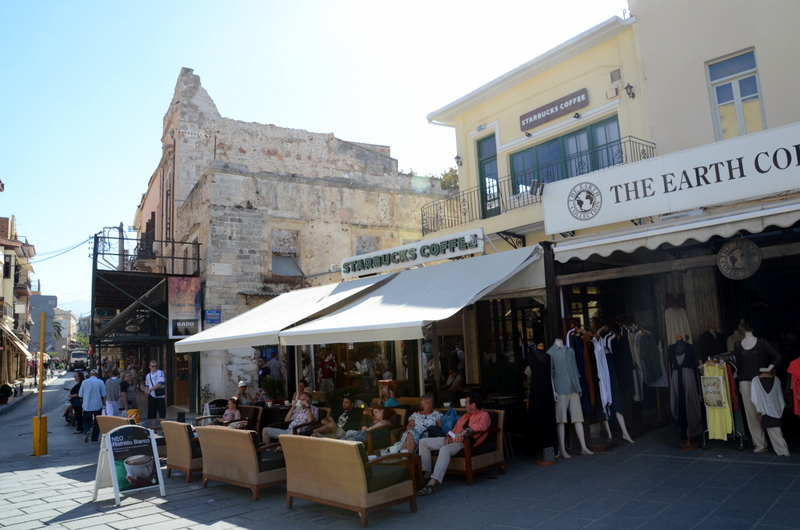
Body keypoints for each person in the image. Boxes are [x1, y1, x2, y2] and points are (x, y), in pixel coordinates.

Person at [417, 392, 491, 496]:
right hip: (451, 439)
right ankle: (426, 473)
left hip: (463, 443)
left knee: (445, 449)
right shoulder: (465, 416)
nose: (465, 405)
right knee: (423, 442)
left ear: (473, 405)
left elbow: (482, 426)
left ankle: (432, 483)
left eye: (466, 403)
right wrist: (448, 436)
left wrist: (465, 431)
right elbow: (454, 430)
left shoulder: (484, 415)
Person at [733, 328, 786, 455]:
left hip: (761, 381)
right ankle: (759, 444)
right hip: (744, 381)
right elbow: (738, 364)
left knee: (767, 411)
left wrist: (768, 368)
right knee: (751, 414)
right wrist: (738, 379)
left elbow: (778, 356)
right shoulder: (738, 345)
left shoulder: (761, 342)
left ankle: (779, 446)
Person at [550, 338, 593, 458]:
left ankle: (583, 446)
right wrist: (554, 391)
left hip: (573, 388)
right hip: (560, 389)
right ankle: (562, 449)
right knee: (561, 420)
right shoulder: (551, 352)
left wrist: (578, 387)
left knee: (578, 418)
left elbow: (575, 369)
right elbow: (551, 374)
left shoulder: (570, 351)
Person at [79, 368, 107, 443]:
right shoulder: (100, 382)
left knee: (85, 421)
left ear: (90, 374)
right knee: (97, 422)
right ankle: (94, 438)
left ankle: (87, 430)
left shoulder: (84, 382)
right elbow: (104, 394)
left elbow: (80, 394)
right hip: (97, 405)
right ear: (97, 374)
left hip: (87, 405)